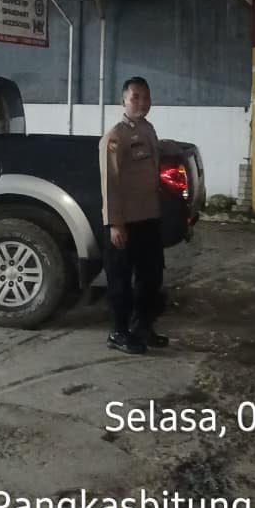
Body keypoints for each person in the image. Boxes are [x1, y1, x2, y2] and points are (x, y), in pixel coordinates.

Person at [98, 76, 168, 355]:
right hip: (125, 222)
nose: (142, 102)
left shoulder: (147, 129)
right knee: (120, 280)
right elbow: (110, 183)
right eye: (135, 97)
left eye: (146, 97)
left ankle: (142, 327)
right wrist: (115, 224)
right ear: (123, 101)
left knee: (150, 277)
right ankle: (118, 332)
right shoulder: (116, 136)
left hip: (148, 217)